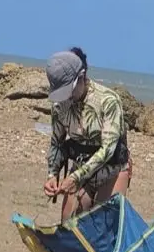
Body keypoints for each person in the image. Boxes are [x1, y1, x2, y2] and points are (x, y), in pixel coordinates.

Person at [42, 47, 133, 221]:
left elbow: (108, 149)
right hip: (80, 166)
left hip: (112, 169)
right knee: (69, 223)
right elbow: (57, 143)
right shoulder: (59, 106)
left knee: (105, 224)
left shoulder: (108, 101)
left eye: (69, 90)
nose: (67, 97)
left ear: (82, 76)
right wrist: (52, 175)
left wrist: (75, 178)